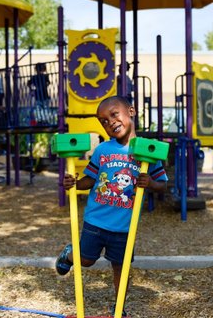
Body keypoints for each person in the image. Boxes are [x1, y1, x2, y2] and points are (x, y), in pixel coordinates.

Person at [55, 95, 168, 316]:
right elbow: (91, 178)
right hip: (96, 220)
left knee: (121, 267)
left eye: (114, 114)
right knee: (86, 260)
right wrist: (75, 183)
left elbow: (163, 184)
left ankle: (119, 309)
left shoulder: (148, 151)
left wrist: (151, 183)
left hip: (125, 226)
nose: (110, 122)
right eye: (103, 121)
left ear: (131, 112)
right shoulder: (103, 150)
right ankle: (70, 254)